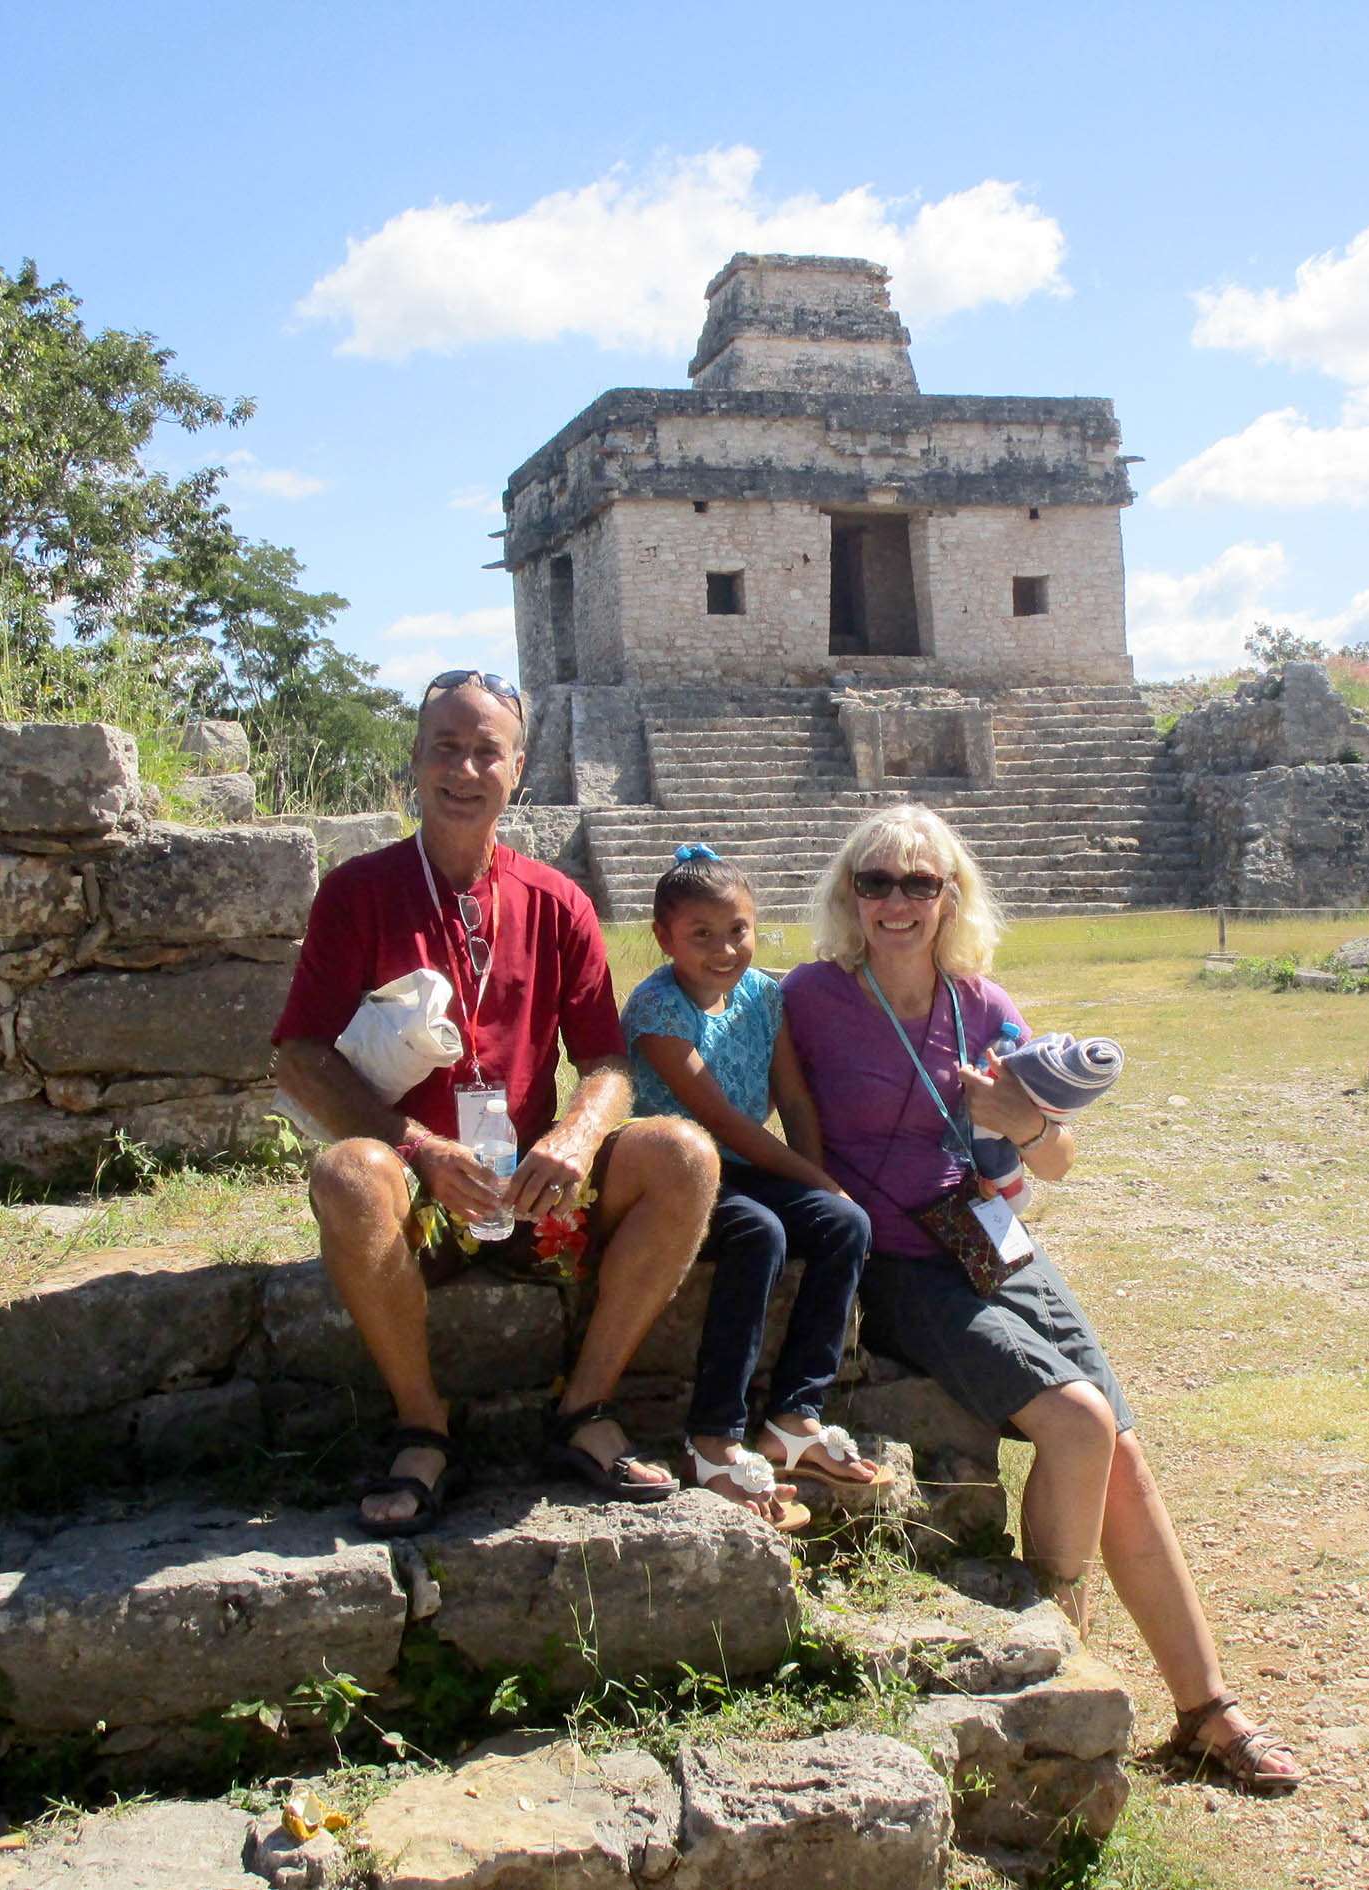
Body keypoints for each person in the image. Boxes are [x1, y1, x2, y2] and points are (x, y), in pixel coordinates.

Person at [780, 804, 1303, 1795]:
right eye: (875, 883)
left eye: (918, 884)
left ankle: (1204, 1706)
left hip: (989, 1244)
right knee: (1077, 1422)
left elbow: (1057, 1158)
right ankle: (1060, 1659)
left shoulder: (981, 1003)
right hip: (895, 1266)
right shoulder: (809, 997)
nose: (896, 902)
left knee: (1120, 1452)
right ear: (849, 895)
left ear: (950, 895)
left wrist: (1019, 1120)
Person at [273, 670, 717, 1536]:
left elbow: (605, 1061)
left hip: (530, 1199)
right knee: (348, 1175)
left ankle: (583, 1412)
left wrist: (579, 1135)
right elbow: (298, 1056)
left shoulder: (558, 901)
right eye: (446, 747)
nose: (464, 769)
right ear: (414, 761)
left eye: (487, 752)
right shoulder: (359, 893)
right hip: (421, 1200)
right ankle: (422, 1427)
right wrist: (421, 1150)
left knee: (684, 1156)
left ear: (518, 769)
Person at [620, 844, 892, 1532]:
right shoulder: (656, 1011)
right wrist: (820, 1178)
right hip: (676, 1173)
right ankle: (713, 1437)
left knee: (844, 1227)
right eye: (700, 935)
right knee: (758, 1233)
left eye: (737, 930)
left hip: (747, 1167)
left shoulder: (764, 995)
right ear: (664, 938)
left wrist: (823, 1192)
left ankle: (795, 1417)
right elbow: (726, 1125)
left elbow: (794, 1102)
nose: (723, 949)